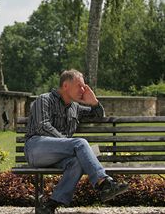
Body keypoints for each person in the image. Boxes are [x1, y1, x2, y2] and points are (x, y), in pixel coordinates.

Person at [24, 69, 129, 214]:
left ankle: (50, 205)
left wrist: (94, 102)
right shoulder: (44, 99)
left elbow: (98, 116)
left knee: (77, 162)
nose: (83, 89)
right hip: (36, 149)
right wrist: (68, 144)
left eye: (84, 86)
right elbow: (42, 127)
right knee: (79, 143)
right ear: (66, 85)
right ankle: (103, 183)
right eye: (80, 85)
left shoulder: (75, 108)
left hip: (60, 155)